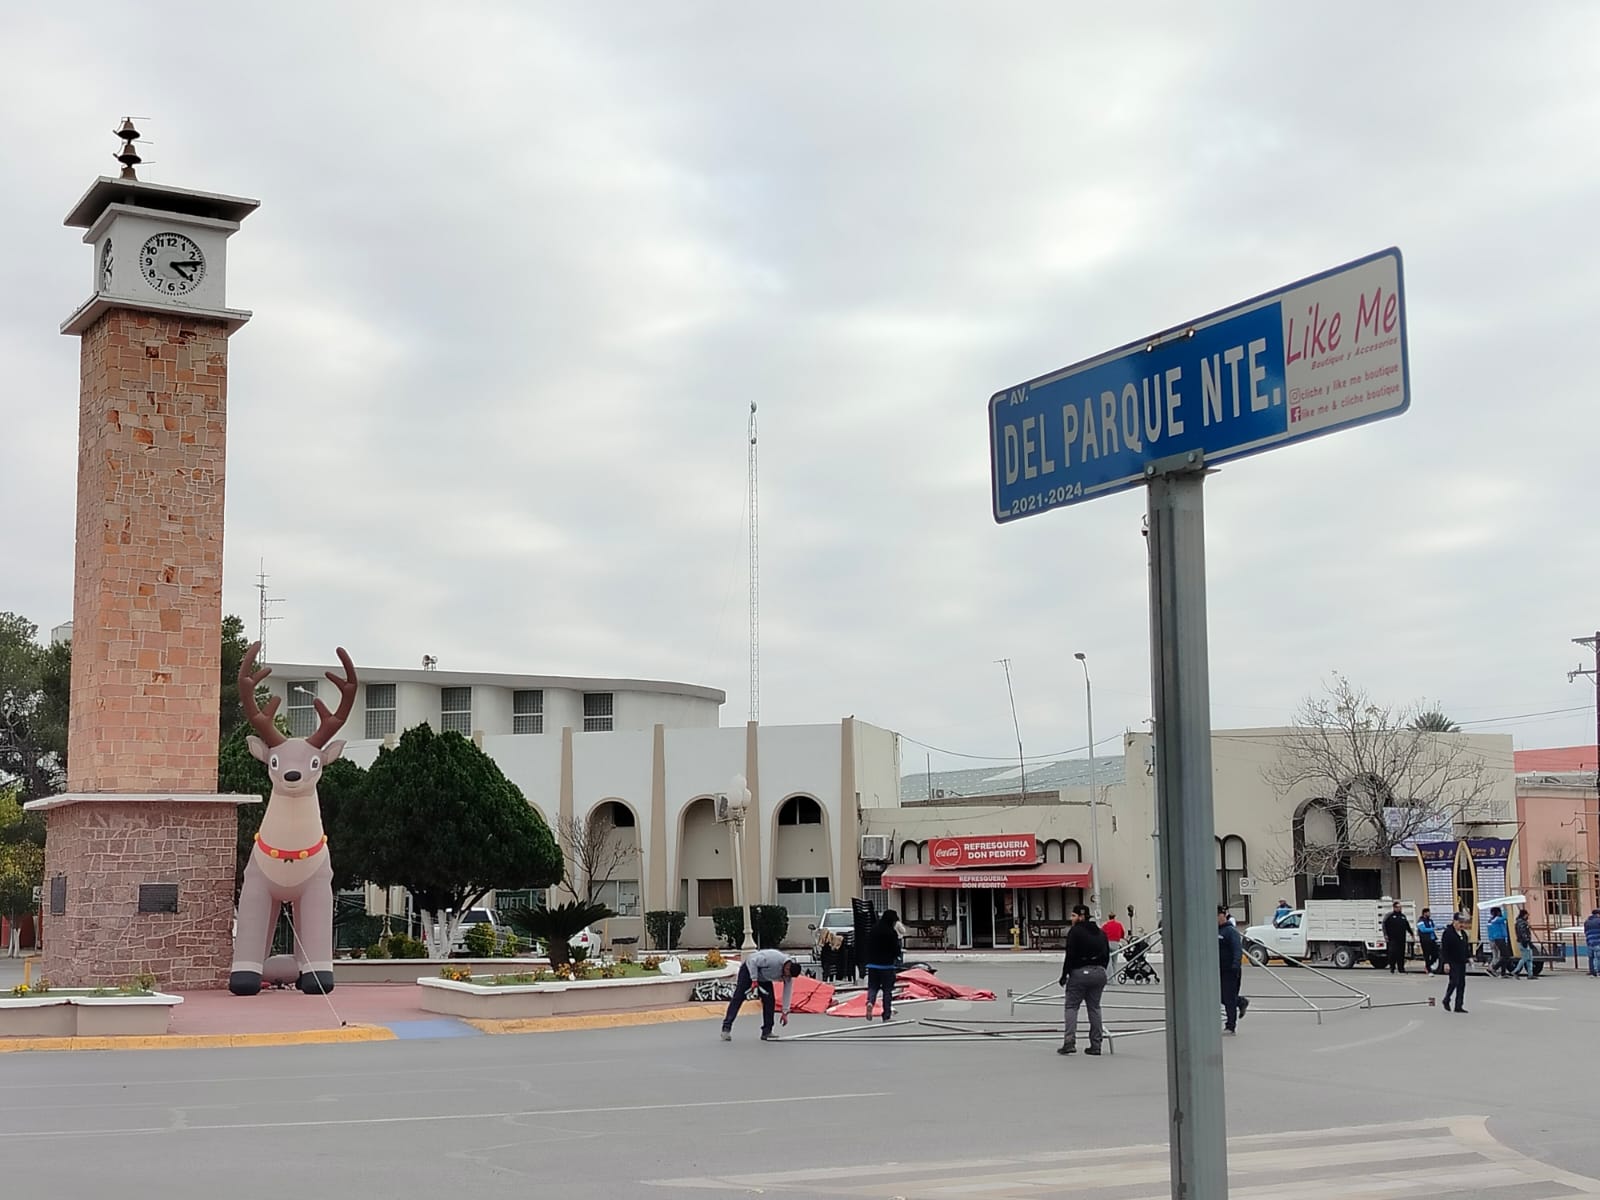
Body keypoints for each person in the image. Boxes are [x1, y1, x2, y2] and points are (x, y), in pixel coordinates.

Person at [1057, 903, 1110, 1056]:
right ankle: (1096, 1044)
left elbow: (1070, 954)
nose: (1071, 918)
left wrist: (1064, 974)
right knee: (1094, 1008)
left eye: (1073, 915)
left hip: (1080, 973)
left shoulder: (1075, 932)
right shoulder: (1101, 933)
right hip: (1099, 973)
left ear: (1081, 916)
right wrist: (1101, 969)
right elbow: (1106, 955)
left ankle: (1069, 1042)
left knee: (1072, 1007)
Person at [720, 948, 801, 1042]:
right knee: (738, 998)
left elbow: (787, 991)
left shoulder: (789, 974)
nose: (785, 977)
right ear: (787, 967)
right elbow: (752, 960)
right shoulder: (773, 959)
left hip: (764, 978)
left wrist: (785, 1012)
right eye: (787, 975)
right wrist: (754, 979)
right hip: (749, 970)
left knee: (770, 1001)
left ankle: (767, 1031)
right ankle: (726, 1028)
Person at [865, 909, 902, 1022]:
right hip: (887, 966)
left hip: (872, 965)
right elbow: (896, 950)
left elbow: (868, 946)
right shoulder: (891, 933)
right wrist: (897, 956)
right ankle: (886, 1015)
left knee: (873, 988)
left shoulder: (873, 930)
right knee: (887, 991)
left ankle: (870, 1002)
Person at [1218, 905, 1249, 1035]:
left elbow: (1237, 949)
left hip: (1230, 969)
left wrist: (1235, 965)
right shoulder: (1214, 930)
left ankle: (1230, 1026)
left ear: (1223, 915)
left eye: (1218, 915)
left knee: (1229, 998)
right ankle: (1241, 1002)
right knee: (1220, 997)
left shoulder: (1230, 931)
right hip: (1217, 970)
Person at [1440, 911, 1470, 1013]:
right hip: (1452, 961)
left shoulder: (1463, 934)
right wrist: (1446, 962)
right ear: (1454, 921)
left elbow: (1466, 947)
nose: (1462, 925)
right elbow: (1444, 949)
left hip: (1461, 961)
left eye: (1463, 922)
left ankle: (1459, 1006)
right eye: (1460, 922)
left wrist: (1469, 957)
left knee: (1462, 983)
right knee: (1454, 981)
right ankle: (1446, 999)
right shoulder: (1448, 933)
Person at [1382, 901, 1412, 974]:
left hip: (1401, 938)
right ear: (1394, 908)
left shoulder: (1403, 916)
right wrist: (1385, 935)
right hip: (1392, 939)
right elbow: (1384, 925)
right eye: (1398, 907)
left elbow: (1407, 925)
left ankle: (1401, 968)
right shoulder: (1390, 916)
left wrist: (1411, 933)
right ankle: (1392, 967)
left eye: (1400, 907)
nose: (1400, 908)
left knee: (1401, 954)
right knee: (1393, 953)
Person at [1486, 906, 1512, 978]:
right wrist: (1505, 908)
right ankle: (1493, 968)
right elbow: (1505, 917)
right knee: (1505, 956)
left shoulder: (1491, 921)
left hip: (1495, 939)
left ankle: (1503, 972)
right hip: (1499, 939)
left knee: (1500, 956)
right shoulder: (1497, 919)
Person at [1512, 908, 1535, 979]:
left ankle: (1530, 974)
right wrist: (1527, 941)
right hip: (1524, 942)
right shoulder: (1522, 923)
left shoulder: (1520, 922)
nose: (1527, 917)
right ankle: (1515, 971)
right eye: (1527, 915)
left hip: (1524, 942)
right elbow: (1523, 933)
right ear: (1524, 915)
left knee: (1529, 959)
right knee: (1525, 958)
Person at [1416, 908, 1440, 975]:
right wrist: (1432, 929)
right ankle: (1429, 970)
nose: (1429, 914)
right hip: (1425, 940)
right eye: (1428, 913)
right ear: (1424, 913)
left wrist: (1440, 927)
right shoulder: (1420, 921)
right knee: (1427, 955)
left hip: (1432, 940)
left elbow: (1434, 927)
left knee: (1436, 954)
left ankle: (1428, 965)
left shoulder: (1430, 920)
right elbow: (1423, 930)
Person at [1585, 908, 1600, 978]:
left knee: (1591, 957)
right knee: (1598, 957)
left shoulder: (1587, 921)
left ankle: (1592, 972)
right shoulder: (1599, 921)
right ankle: (1598, 972)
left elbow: (1585, 932)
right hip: (1598, 941)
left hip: (1589, 942)